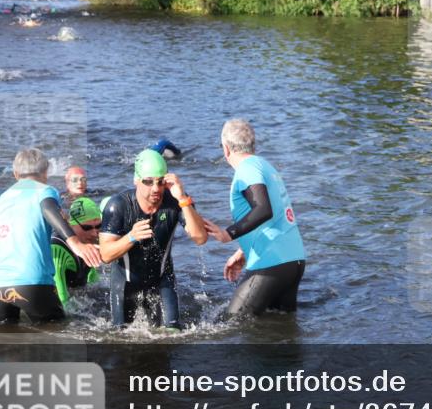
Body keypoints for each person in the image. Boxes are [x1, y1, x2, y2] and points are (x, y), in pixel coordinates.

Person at [0, 148, 101, 324]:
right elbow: (48, 209)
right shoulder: (44, 191)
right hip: (32, 282)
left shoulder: (1, 200)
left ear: (16, 174)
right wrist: (76, 243)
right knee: (57, 334)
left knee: (6, 344)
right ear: (45, 172)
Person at [203, 119, 306, 315]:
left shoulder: (247, 169)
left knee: (231, 324)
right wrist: (243, 251)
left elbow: (263, 209)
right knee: (279, 329)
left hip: (272, 263)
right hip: (295, 261)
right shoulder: (265, 166)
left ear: (226, 149)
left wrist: (228, 234)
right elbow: (277, 215)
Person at [99, 150, 207, 329]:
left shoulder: (177, 201)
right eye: (148, 182)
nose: (156, 188)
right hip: (125, 283)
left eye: (161, 181)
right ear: (136, 180)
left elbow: (200, 238)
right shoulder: (118, 206)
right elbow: (106, 255)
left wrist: (182, 199)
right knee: (121, 338)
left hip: (162, 278)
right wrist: (131, 237)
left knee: (172, 333)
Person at [52, 197, 101, 308]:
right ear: (70, 225)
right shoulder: (58, 247)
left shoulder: (88, 242)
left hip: (77, 295)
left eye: (98, 226)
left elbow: (93, 281)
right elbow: (62, 296)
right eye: (87, 227)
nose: (94, 233)